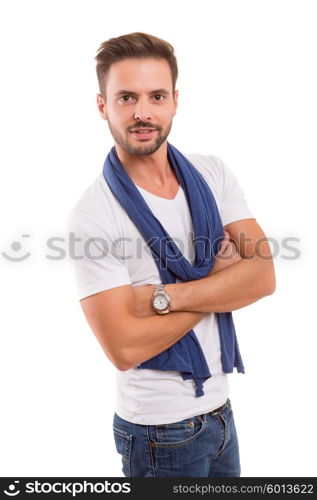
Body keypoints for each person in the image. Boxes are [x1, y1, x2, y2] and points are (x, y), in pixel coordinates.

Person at [67, 32, 276, 478]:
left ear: (175, 101)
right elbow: (123, 347)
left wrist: (164, 297)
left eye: (156, 96)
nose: (143, 112)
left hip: (222, 412)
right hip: (158, 433)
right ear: (103, 106)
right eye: (126, 97)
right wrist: (222, 282)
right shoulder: (93, 214)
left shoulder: (211, 173)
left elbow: (263, 275)